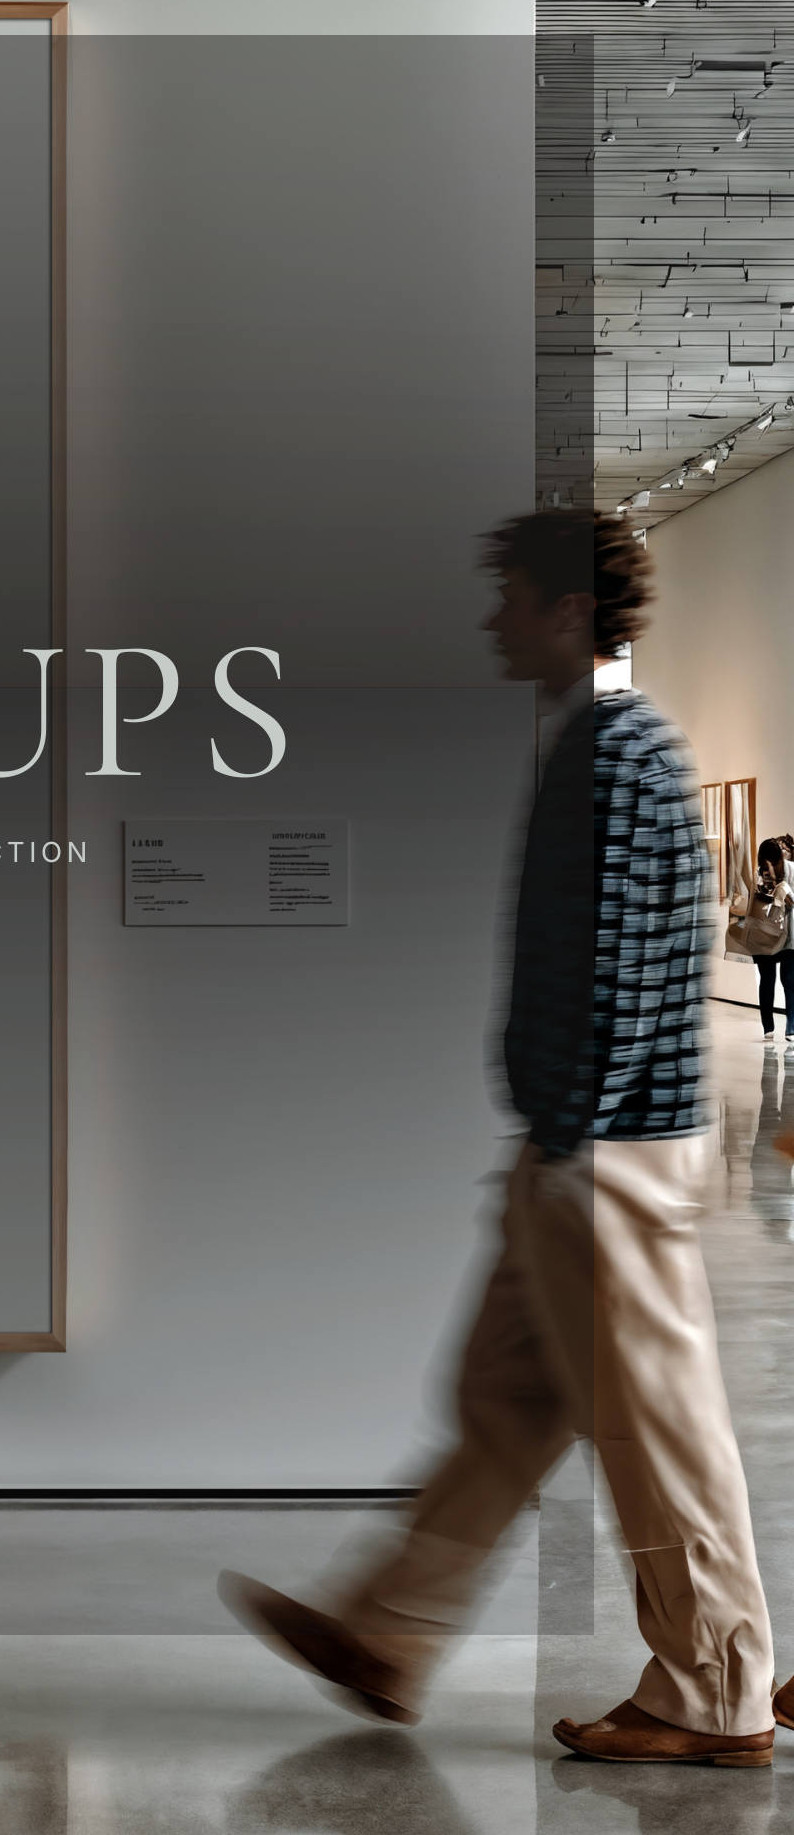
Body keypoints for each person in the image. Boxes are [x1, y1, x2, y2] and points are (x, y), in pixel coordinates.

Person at [220, 512, 776, 1768]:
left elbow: (633, 967)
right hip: (578, 1144)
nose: (491, 620)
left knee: (652, 1425)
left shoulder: (616, 748)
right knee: (500, 1404)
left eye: (508, 597)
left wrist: (572, 1138)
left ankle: (714, 1689)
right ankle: (388, 1631)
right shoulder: (597, 740)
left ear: (567, 610)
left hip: (604, 1152)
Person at [742, 836, 794, 1047]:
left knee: (790, 979)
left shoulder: (791, 870)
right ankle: (768, 1027)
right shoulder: (757, 875)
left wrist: (786, 891)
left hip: (789, 933)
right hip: (763, 934)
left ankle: (791, 1026)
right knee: (767, 978)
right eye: (765, 864)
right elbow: (752, 907)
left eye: (773, 862)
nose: (770, 867)